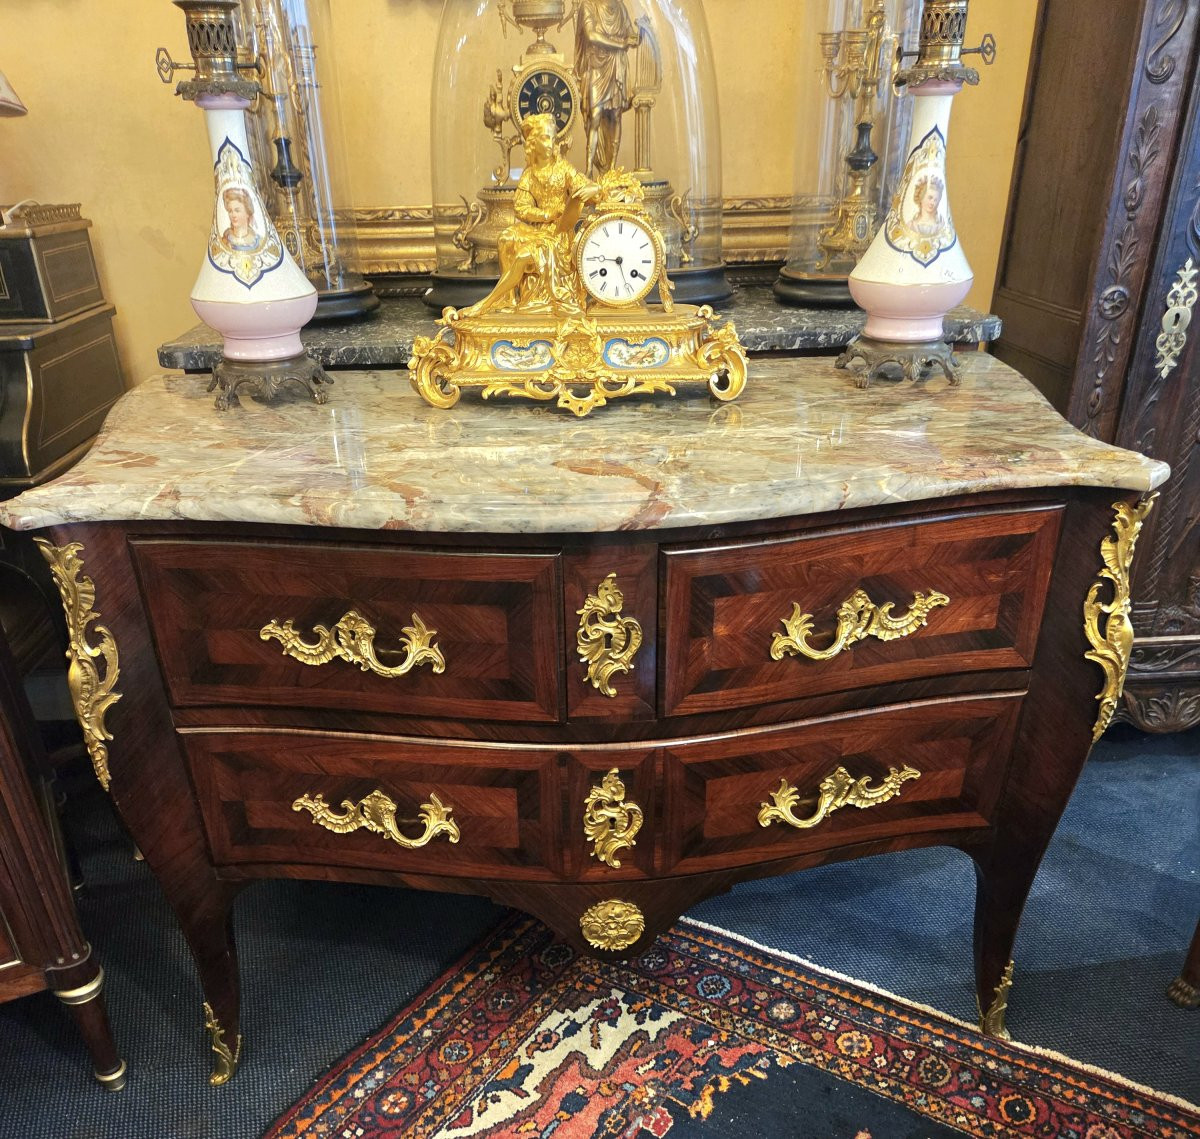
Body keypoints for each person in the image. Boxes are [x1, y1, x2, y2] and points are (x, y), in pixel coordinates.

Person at [454, 114, 599, 319]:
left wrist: (594, 188)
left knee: (523, 256)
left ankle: (486, 303)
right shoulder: (529, 175)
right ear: (533, 143)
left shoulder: (563, 169)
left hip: (557, 236)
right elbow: (521, 208)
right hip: (538, 230)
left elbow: (586, 188)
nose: (551, 143)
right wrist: (545, 214)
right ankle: (508, 299)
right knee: (506, 238)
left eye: (552, 138)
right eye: (545, 138)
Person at [575, 0, 640, 178]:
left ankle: (611, 170)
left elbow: (631, 35)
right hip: (597, 66)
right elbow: (591, 35)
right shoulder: (588, 5)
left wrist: (641, 33)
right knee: (594, 116)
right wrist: (621, 44)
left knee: (615, 117)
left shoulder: (620, 7)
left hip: (617, 66)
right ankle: (588, 170)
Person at [220, 187, 263, 253]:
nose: (233, 215)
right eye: (230, 211)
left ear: (247, 213)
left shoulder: (258, 242)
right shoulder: (225, 240)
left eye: (237, 211)